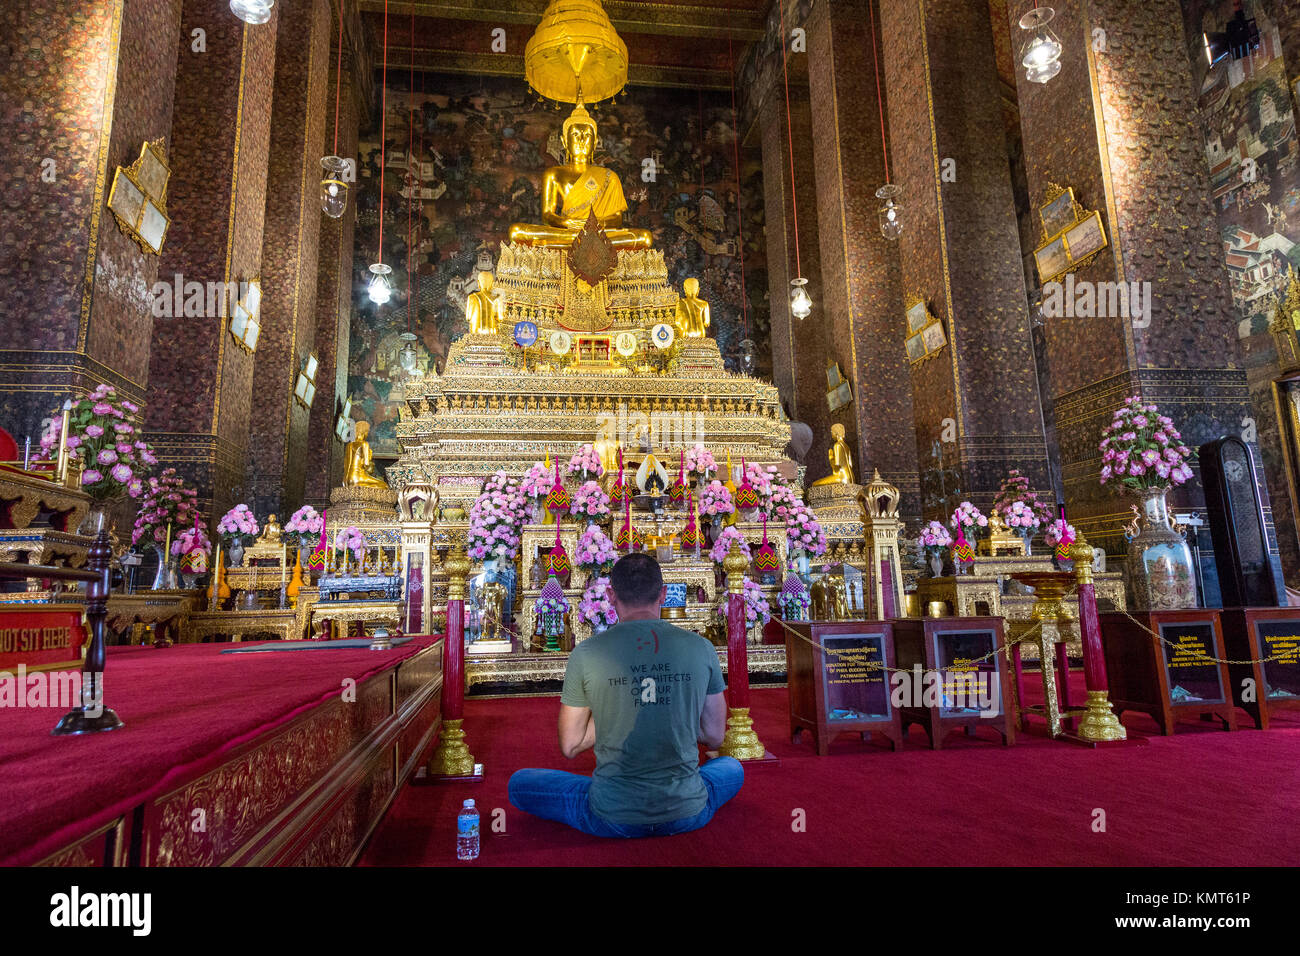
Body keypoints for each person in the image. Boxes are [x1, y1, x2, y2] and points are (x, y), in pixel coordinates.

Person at [508, 553, 743, 837]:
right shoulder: (701, 647)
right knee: (731, 767)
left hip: (612, 814)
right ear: (664, 594)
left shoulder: (587, 653)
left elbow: (570, 745)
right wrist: (672, 707)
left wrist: (615, 704)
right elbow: (716, 736)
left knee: (520, 784)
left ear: (610, 594)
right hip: (687, 809)